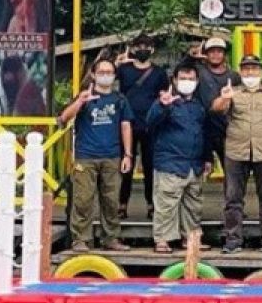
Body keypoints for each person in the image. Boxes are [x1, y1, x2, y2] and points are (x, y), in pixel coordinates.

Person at [211, 55, 262, 254]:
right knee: (233, 199)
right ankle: (233, 239)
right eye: (246, 69)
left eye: (254, 69)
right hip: (236, 152)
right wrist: (224, 97)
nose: (250, 73)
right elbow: (216, 109)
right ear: (240, 71)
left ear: (261, 71)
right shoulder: (233, 92)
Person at [57, 59, 133, 253]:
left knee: (112, 201)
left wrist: (128, 154)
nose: (106, 75)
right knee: (83, 200)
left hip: (112, 156)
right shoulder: (83, 97)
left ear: (114, 76)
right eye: (102, 72)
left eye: (109, 72)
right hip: (86, 156)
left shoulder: (120, 99)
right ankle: (80, 239)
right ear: (93, 74)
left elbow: (126, 126)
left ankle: (111, 238)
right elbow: (63, 118)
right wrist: (80, 102)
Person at [146, 62, 213, 253]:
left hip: (194, 164)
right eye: (183, 78)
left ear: (197, 81)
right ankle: (162, 240)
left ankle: (191, 239)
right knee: (166, 204)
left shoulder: (199, 106)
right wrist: (162, 105)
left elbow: (204, 133)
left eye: (191, 79)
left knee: (193, 205)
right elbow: (150, 122)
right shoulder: (166, 101)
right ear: (174, 80)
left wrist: (207, 158)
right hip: (170, 163)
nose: (187, 82)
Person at [115, 34, 170, 219]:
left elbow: (164, 97)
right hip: (127, 125)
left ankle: (151, 204)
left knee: (150, 167)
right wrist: (115, 63)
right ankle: (122, 204)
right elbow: (96, 78)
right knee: (125, 166)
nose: (142, 49)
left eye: (146, 46)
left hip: (150, 126)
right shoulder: (123, 70)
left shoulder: (160, 73)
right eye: (138, 46)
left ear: (152, 49)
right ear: (132, 48)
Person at [191, 37, 239, 168]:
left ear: (224, 54)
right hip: (202, 128)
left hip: (226, 130)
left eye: (219, 51)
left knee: (230, 171)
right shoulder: (199, 71)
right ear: (206, 54)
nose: (215, 55)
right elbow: (181, 70)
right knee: (200, 172)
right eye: (212, 51)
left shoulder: (234, 76)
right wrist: (191, 57)